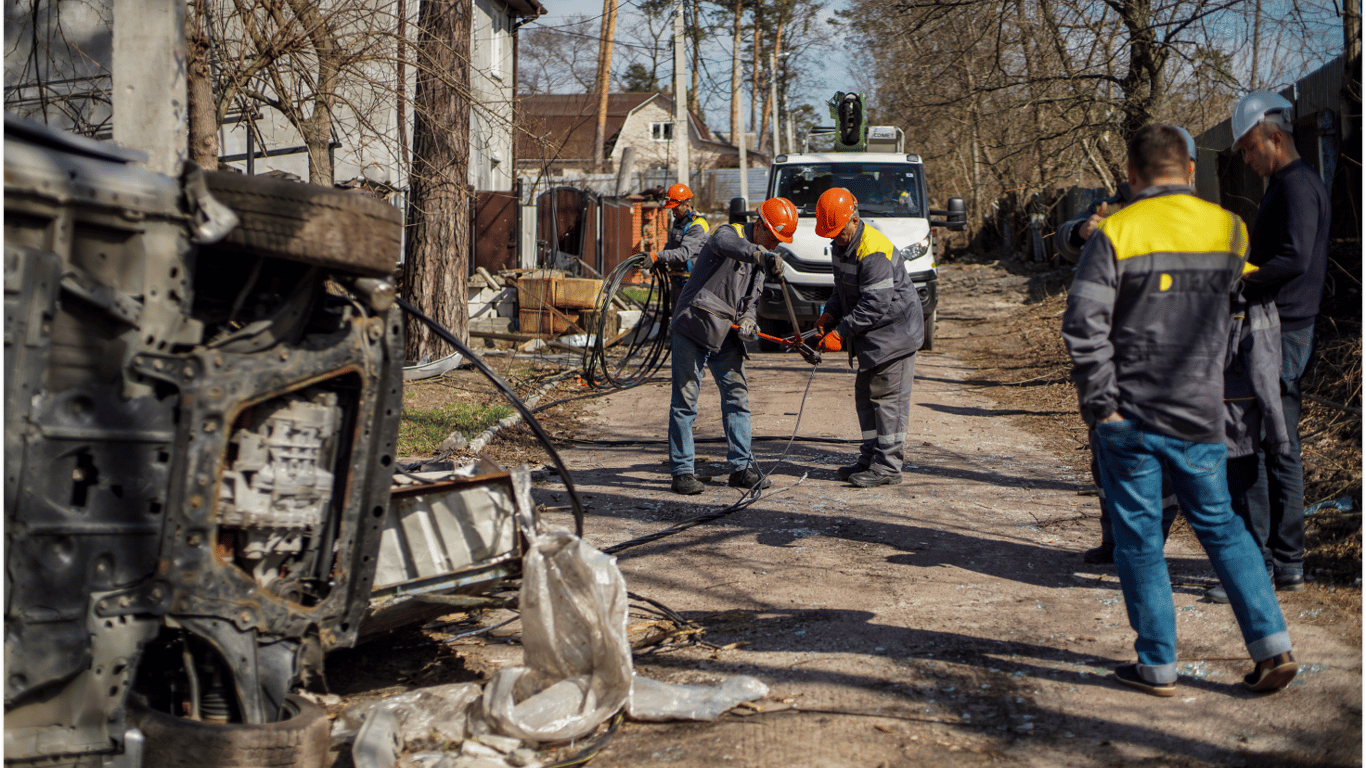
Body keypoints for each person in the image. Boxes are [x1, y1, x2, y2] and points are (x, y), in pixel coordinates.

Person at [1062, 123, 1296, 696]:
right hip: (1200, 411)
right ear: (1192, 171)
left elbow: (1082, 323)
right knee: (1222, 525)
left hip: (1130, 416)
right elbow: (1242, 305)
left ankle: (1158, 667)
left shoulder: (1116, 232)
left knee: (1140, 538)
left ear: (1133, 175)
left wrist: (1101, 406)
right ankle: (1273, 649)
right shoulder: (1230, 231)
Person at [1061, 127, 1198, 565]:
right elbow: (1066, 234)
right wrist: (1082, 230)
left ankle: (1147, 544)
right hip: (1113, 358)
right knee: (1105, 462)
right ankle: (1114, 538)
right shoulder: (1122, 208)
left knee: (1165, 477)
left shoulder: (1198, 222)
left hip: (1165, 367)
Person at [1227, 90, 1331, 593]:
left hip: (1284, 330)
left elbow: (1294, 259)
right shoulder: (1285, 184)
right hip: (1277, 326)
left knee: (1274, 445)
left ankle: (1278, 561)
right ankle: (1277, 560)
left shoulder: (1296, 185)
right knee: (1270, 443)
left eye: (1249, 148)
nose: (1247, 159)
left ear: (1274, 136)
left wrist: (1242, 282)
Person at [667, 196, 796, 495]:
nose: (775, 245)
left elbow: (751, 302)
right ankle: (682, 471)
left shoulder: (762, 261)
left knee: (738, 399)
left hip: (726, 335)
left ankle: (742, 468)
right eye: (773, 238)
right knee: (685, 403)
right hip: (693, 327)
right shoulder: (730, 233)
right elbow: (729, 245)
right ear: (761, 225)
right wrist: (759, 254)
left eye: (780, 241)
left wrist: (750, 321)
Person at [811, 187, 923, 488]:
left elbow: (875, 304)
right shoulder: (842, 245)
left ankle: (887, 466)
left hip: (896, 333)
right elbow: (842, 289)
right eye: (830, 233)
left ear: (853, 219)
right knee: (866, 395)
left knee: (886, 399)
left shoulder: (873, 250)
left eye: (837, 232)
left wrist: (840, 332)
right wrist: (829, 314)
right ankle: (871, 458)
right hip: (876, 334)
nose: (834, 238)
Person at [651, 183, 710, 295]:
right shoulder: (678, 222)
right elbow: (671, 245)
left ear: (686, 204)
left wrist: (657, 256)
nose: (673, 212)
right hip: (677, 280)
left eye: (675, 208)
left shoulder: (697, 225)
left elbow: (684, 253)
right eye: (671, 209)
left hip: (692, 283)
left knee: (684, 313)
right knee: (674, 312)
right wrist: (659, 259)